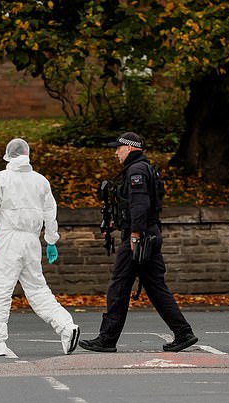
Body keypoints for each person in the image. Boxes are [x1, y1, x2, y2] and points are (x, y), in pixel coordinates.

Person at [79, 132, 198, 353]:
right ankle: (183, 332)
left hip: (140, 238)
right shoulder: (144, 168)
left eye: (119, 148)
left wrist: (135, 233)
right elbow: (137, 204)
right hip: (148, 235)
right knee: (155, 288)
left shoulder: (136, 171)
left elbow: (140, 205)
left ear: (130, 148)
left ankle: (107, 339)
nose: (116, 152)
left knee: (119, 286)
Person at [0, 138, 80, 357]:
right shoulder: (40, 181)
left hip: (8, 239)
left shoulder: (1, 179)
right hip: (32, 242)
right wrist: (51, 240)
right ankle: (66, 327)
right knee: (38, 289)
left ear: (8, 155)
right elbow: (50, 213)